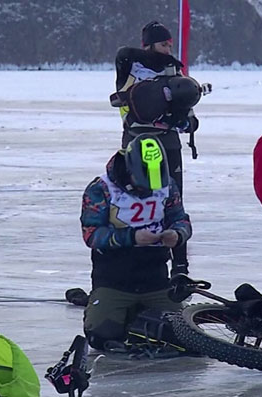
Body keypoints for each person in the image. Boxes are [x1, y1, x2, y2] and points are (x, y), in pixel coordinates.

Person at [80, 134, 192, 351]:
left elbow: (180, 218)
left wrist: (177, 234)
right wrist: (131, 238)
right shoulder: (100, 189)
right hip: (114, 279)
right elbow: (92, 235)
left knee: (183, 335)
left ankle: (142, 314)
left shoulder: (167, 186)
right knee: (102, 336)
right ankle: (109, 309)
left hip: (155, 278)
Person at [113, 20, 199, 276]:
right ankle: (137, 257)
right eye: (163, 44)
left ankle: (180, 266)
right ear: (149, 45)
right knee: (135, 199)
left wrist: (187, 120)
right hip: (135, 141)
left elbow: (187, 113)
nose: (167, 49)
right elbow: (123, 54)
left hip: (169, 142)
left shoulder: (175, 70)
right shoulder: (129, 65)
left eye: (169, 44)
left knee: (173, 202)